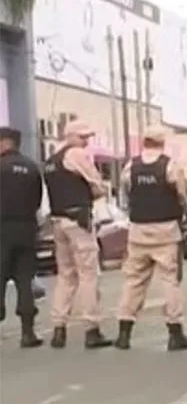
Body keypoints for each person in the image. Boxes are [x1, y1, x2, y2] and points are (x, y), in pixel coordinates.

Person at [113, 125, 187, 351]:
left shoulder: (131, 166)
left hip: (138, 230)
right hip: (166, 230)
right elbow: (183, 196)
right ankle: (175, 332)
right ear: (162, 143)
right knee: (170, 280)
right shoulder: (170, 166)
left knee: (133, 281)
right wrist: (186, 215)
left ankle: (124, 332)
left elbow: (123, 197)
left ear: (144, 142)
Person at [43, 121, 112, 349]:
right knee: (89, 274)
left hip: (57, 220)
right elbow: (97, 183)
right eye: (83, 137)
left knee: (65, 275)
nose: (86, 141)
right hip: (78, 220)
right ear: (71, 136)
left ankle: (59, 327)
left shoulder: (52, 160)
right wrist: (95, 192)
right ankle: (91, 328)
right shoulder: (76, 154)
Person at [0, 127, 45, 348]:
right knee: (24, 281)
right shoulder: (31, 167)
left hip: (2, 228)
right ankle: (28, 333)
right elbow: (37, 199)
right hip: (27, 228)